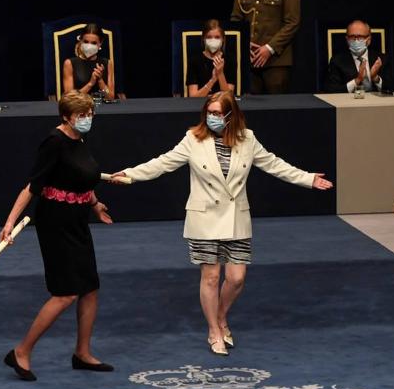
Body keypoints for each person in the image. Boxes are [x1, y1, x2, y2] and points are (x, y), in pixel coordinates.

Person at [112, 91, 332, 354]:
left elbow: (274, 164)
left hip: (236, 216)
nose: (212, 118)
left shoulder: (247, 139)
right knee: (211, 276)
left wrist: (307, 178)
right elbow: (163, 163)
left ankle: (219, 316)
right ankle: (214, 331)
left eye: (218, 113)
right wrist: (130, 175)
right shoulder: (192, 139)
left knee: (237, 278)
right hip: (204, 217)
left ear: (231, 115)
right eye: (209, 112)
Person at [0, 91, 115, 381]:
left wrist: (95, 205)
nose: (87, 119)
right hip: (56, 224)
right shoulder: (54, 142)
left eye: (90, 114)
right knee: (65, 293)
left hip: (78, 221)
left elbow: (81, 179)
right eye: (81, 115)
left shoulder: (80, 140)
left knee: (89, 287)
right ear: (66, 117)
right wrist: (10, 222)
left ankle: (83, 353)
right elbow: (32, 186)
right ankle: (22, 351)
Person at [231, 0, 300, 94]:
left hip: (276, 61)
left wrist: (270, 48)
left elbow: (292, 23)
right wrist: (244, 45)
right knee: (249, 110)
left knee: (276, 111)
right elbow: (236, 20)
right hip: (249, 59)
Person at [323, 19, 387, 93]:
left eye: (360, 37)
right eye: (352, 37)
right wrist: (357, 80)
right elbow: (331, 90)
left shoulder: (381, 59)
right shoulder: (337, 61)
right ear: (347, 39)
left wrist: (375, 78)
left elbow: (391, 88)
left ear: (368, 40)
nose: (356, 40)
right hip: (349, 103)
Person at [62, 24, 115, 101]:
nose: (89, 46)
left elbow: (110, 97)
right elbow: (70, 99)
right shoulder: (69, 63)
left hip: (103, 109)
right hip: (79, 108)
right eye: (86, 42)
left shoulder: (107, 63)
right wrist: (90, 84)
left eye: (94, 43)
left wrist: (100, 80)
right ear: (80, 41)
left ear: (100, 43)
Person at [186, 19, 237, 97]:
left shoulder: (230, 60)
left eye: (217, 37)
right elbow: (193, 96)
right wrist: (212, 80)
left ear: (223, 39)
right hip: (199, 104)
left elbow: (228, 96)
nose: (213, 40)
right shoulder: (194, 60)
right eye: (209, 37)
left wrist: (220, 73)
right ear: (203, 38)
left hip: (222, 105)